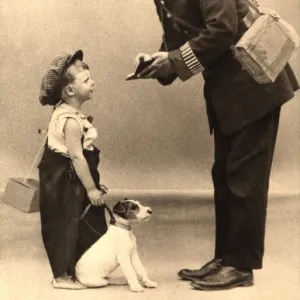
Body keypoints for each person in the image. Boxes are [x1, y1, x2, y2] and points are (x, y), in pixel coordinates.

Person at [133, 0, 299, 291]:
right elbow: (182, 35)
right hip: (230, 92)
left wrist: (173, 60)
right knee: (224, 176)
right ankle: (225, 259)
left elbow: (222, 28)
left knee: (245, 180)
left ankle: (240, 266)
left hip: (254, 85)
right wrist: (159, 64)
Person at [38, 50, 108, 289]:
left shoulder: (70, 113)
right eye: (87, 80)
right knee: (66, 223)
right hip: (65, 180)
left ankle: (83, 269)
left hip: (69, 176)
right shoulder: (70, 120)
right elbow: (77, 157)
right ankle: (62, 276)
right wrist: (91, 189)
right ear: (69, 91)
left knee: (80, 221)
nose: (93, 82)